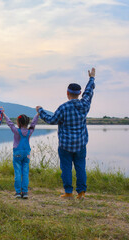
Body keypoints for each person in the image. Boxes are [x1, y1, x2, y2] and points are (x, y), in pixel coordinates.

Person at [36, 68, 96, 200]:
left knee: (66, 169)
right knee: (81, 167)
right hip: (81, 144)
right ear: (79, 93)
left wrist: (40, 111)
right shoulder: (85, 104)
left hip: (65, 145)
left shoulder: (63, 107)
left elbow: (51, 120)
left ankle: (68, 192)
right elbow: (89, 92)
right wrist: (91, 78)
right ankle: (81, 193)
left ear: (67, 93)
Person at [3, 113, 39, 199]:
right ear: (27, 123)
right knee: (25, 173)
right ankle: (25, 192)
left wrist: (4, 114)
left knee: (18, 173)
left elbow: (9, 123)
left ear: (19, 123)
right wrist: (37, 114)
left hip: (17, 154)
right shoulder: (30, 131)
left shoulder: (16, 131)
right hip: (26, 154)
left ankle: (18, 192)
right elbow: (33, 123)